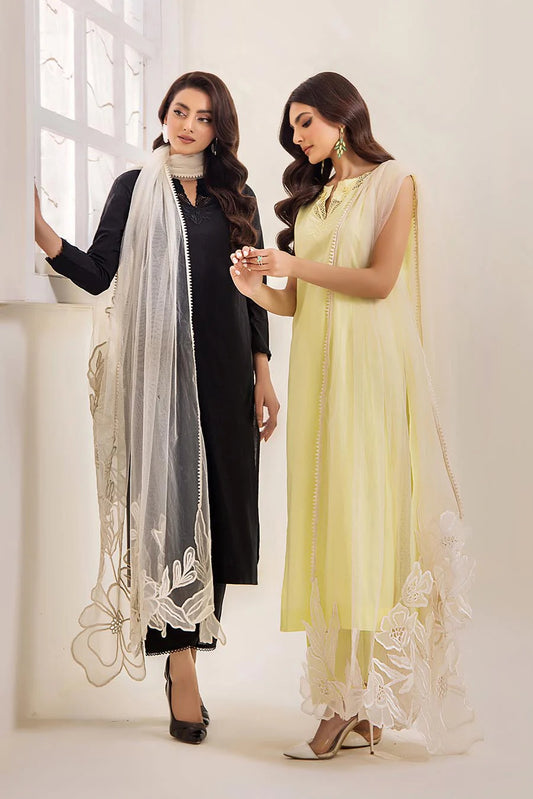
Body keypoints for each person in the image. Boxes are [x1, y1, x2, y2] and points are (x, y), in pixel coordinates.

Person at [230, 71, 478, 760]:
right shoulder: (314, 199)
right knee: (329, 518)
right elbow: (298, 302)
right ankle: (356, 706)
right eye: (291, 127)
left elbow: (377, 282)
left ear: (342, 117)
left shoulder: (396, 182)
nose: (296, 136)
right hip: (318, 375)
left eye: (305, 121)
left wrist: (290, 265)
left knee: (364, 518)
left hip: (369, 372)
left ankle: (349, 703)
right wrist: (256, 286)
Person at [34, 71, 279, 745]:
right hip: (160, 372)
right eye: (179, 111)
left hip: (227, 373)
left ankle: (190, 645)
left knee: (219, 513)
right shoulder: (134, 187)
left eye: (203, 117)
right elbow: (98, 272)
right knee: (170, 511)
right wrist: (42, 232)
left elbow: (255, 288)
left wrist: (262, 372)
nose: (188, 126)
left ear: (219, 128)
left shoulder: (237, 195)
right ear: (164, 115)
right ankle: (181, 664)